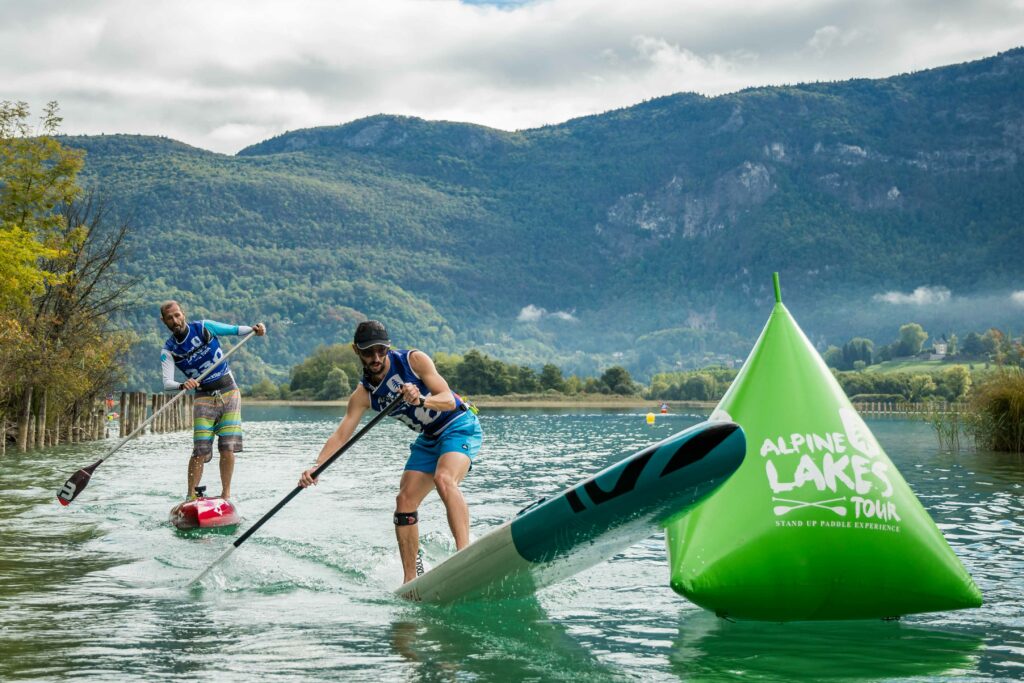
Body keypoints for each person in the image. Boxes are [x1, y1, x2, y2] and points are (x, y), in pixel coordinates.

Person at [298, 320, 483, 584]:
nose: (375, 358)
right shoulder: (363, 395)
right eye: (368, 352)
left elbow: (450, 399)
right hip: (429, 438)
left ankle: (465, 555)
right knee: (404, 501)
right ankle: (411, 579)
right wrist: (316, 467)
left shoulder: (414, 360)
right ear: (356, 351)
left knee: (444, 479)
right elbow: (341, 435)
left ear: (388, 348)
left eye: (381, 351)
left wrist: (420, 399)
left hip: (458, 425)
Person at [160, 300, 266, 500]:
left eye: (177, 315)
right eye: (170, 318)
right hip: (203, 397)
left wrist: (255, 329)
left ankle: (225, 496)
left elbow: (235, 330)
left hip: (229, 392)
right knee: (199, 450)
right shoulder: (168, 349)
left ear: (183, 313)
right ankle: (190, 496)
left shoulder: (204, 328)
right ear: (164, 321)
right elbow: (167, 383)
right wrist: (183, 385)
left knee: (227, 447)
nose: (175, 320)